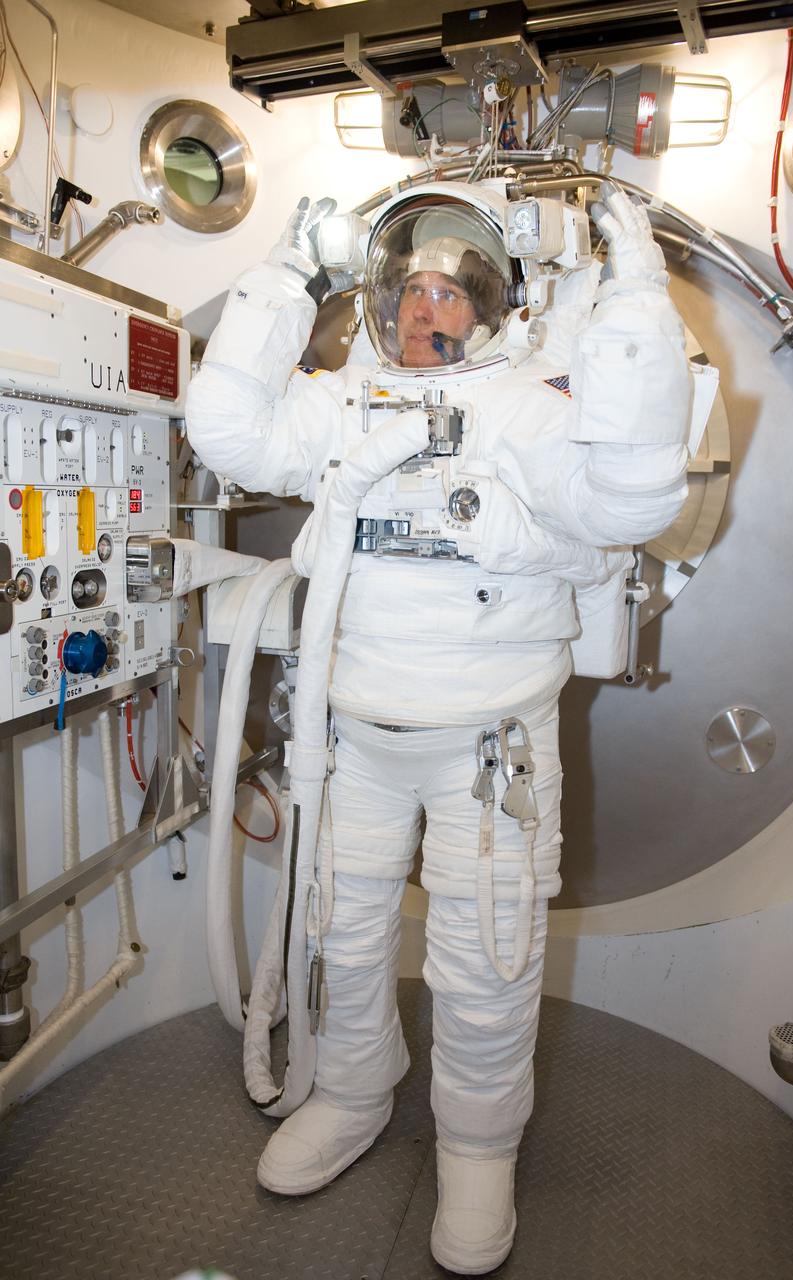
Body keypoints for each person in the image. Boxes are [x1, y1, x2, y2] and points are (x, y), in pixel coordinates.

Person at [185, 180, 691, 1275]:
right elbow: (226, 431)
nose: (428, 309)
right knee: (341, 933)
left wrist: (636, 295)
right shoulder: (342, 401)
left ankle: (474, 1149)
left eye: (453, 291)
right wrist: (279, 278)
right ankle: (356, 1088)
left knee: (485, 958)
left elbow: (634, 500)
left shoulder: (527, 406)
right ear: (377, 299)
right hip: (353, 735)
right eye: (410, 288)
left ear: (492, 308)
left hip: (485, 750)